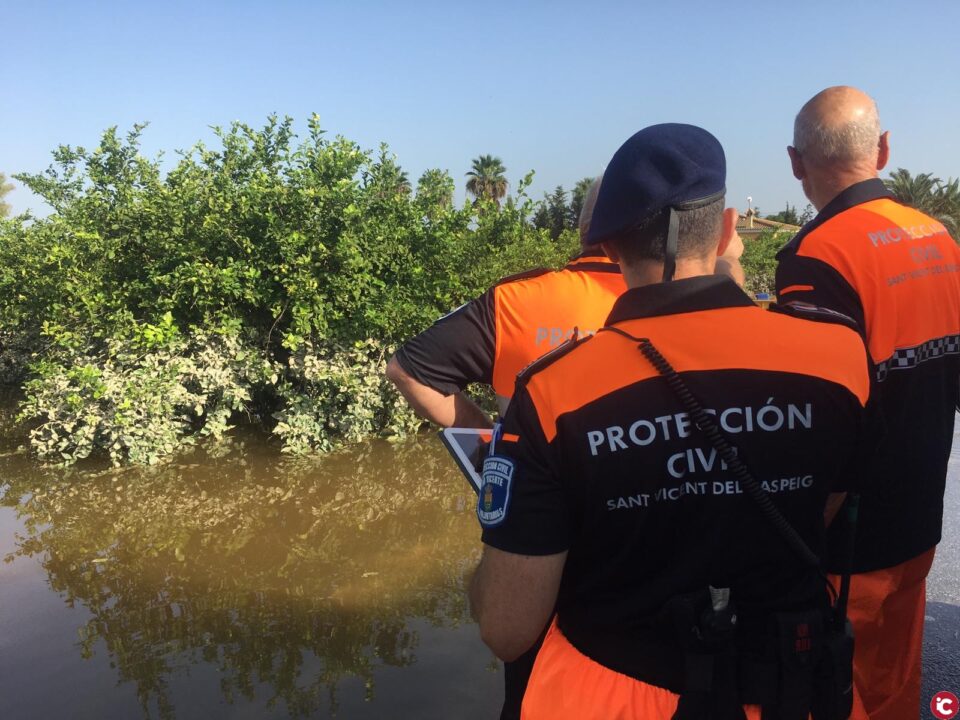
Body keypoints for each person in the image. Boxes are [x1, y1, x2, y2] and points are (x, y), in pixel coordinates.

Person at [470, 123, 872, 719]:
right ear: (729, 227)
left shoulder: (552, 392)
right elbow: (826, 503)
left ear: (607, 247)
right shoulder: (838, 356)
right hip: (790, 687)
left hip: (610, 694)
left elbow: (507, 629)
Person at [775, 86, 960, 720]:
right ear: (883, 150)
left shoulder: (815, 257)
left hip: (850, 532)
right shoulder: (937, 236)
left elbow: (816, 415)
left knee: (828, 684)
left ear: (797, 164)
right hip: (921, 512)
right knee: (894, 680)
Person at [385, 176, 627, 430]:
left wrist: (488, 443)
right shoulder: (666, 305)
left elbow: (406, 370)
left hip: (526, 468)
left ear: (583, 230)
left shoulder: (512, 301)